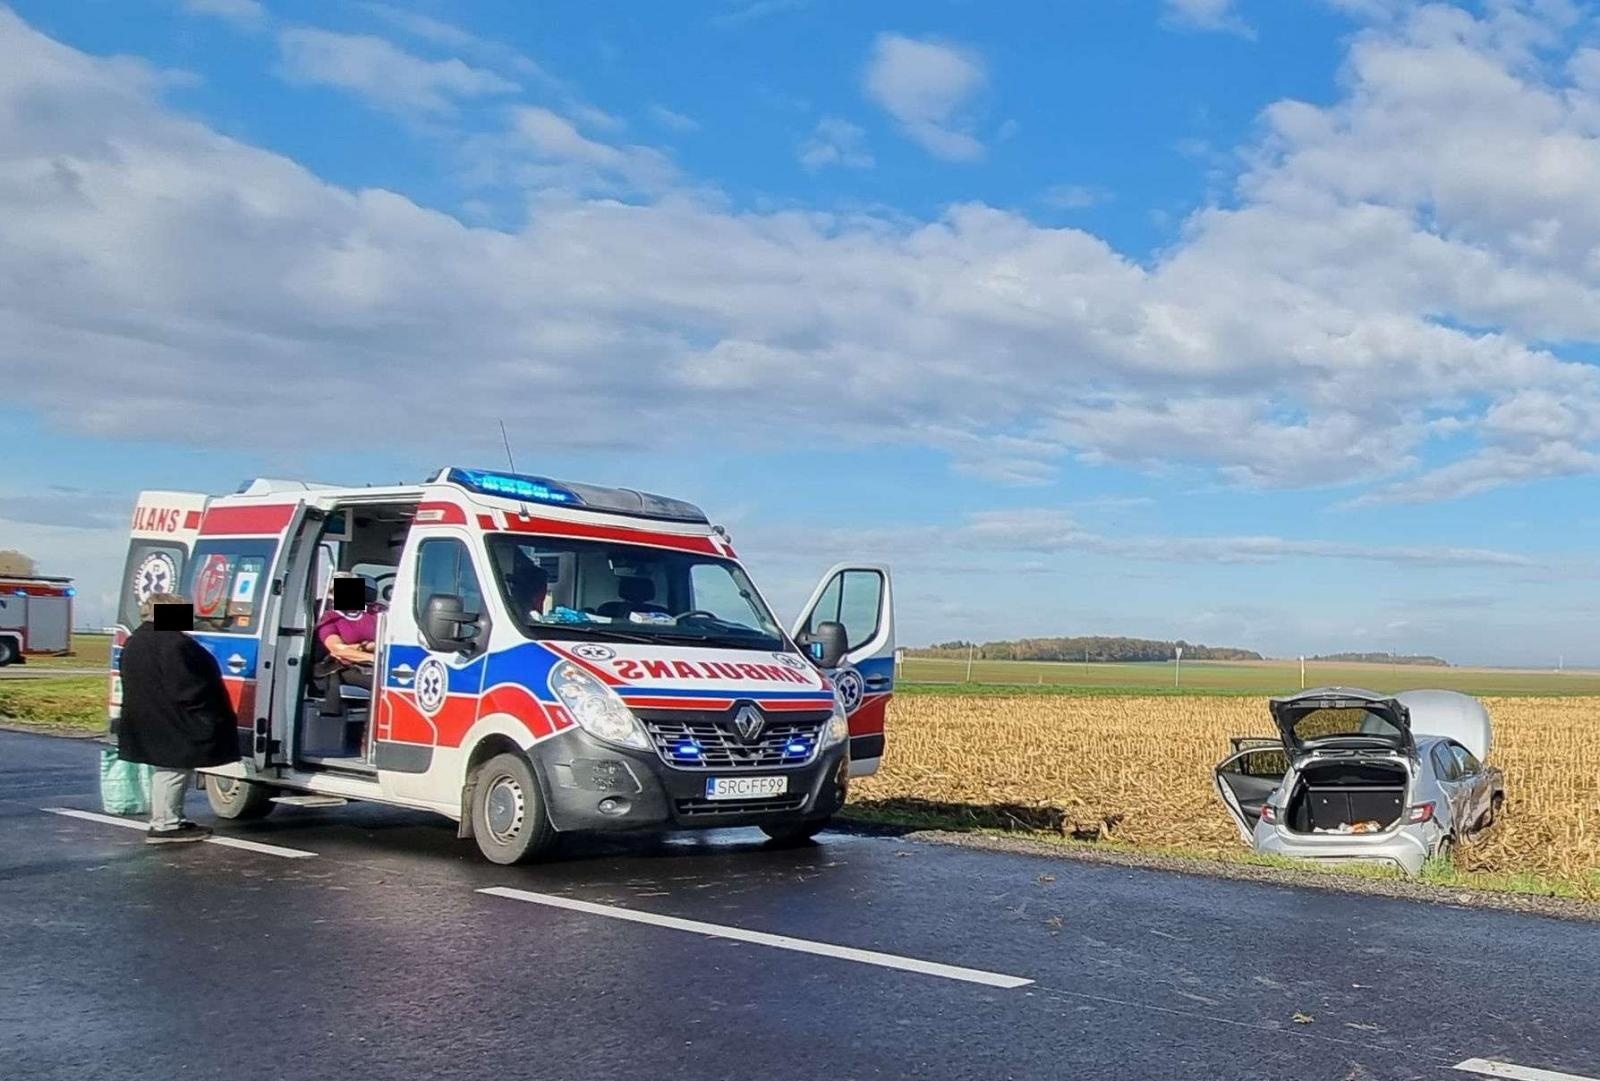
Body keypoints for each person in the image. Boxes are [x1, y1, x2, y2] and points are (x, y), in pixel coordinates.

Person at [116, 592, 240, 843]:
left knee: (166, 769)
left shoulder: (136, 639)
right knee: (173, 770)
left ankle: (169, 818)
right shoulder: (173, 643)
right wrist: (206, 710)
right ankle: (166, 824)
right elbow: (186, 685)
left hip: (148, 715)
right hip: (175, 717)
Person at [314, 573, 383, 717]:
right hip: (346, 667)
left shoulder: (374, 614)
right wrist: (374, 658)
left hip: (377, 662)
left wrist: (364, 646)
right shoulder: (329, 618)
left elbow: (387, 639)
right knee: (382, 683)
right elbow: (338, 650)